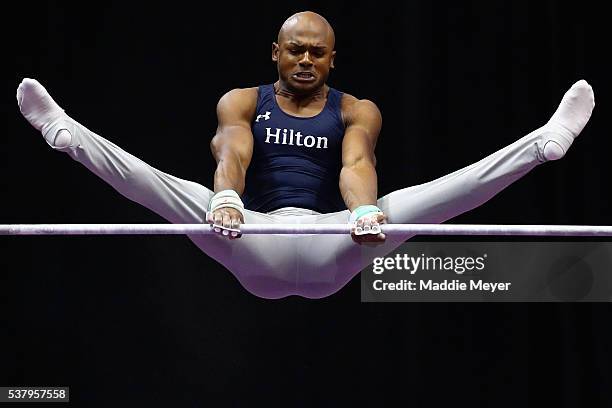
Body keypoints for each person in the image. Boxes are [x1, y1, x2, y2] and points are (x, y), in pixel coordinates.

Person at [16, 11, 595, 299]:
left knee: (410, 205)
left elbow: (356, 163)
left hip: (333, 241)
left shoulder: (355, 109)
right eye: (295, 50)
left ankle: (542, 147)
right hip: (251, 236)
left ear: (332, 60)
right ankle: (70, 137)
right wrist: (226, 201)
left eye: (318, 54)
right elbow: (233, 152)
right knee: (185, 196)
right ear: (275, 53)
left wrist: (365, 215)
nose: (305, 61)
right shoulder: (243, 101)